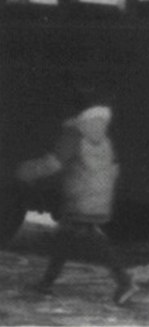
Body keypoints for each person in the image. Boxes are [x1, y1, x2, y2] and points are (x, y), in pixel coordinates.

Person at [15, 77, 137, 305]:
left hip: (80, 198)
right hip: (97, 197)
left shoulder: (75, 133)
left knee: (92, 242)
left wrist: (25, 171)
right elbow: (114, 168)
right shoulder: (103, 134)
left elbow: (53, 163)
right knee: (66, 239)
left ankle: (125, 280)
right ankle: (46, 283)